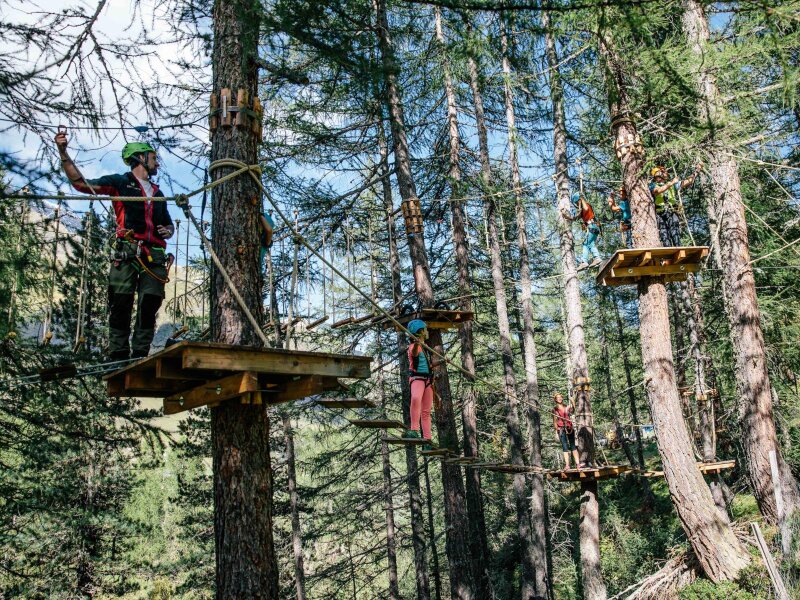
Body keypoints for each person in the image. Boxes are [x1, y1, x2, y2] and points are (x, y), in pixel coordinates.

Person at [56, 131, 174, 360]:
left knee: (150, 303)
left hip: (154, 254)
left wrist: (168, 230)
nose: (157, 162)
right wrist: (63, 152)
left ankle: (140, 352)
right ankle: (118, 354)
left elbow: (168, 224)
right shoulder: (120, 183)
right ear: (140, 158)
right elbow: (81, 184)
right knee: (121, 302)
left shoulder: (158, 193)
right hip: (127, 250)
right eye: (153, 158)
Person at [649, 164, 701, 247]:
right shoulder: (653, 185)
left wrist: (697, 171)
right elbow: (658, 191)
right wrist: (672, 183)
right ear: (658, 174)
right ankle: (668, 250)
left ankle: (678, 247)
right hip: (660, 213)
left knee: (675, 232)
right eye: (663, 172)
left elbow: (689, 181)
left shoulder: (672, 185)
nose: (665, 173)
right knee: (664, 234)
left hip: (671, 211)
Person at [403, 319, 436, 449]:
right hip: (417, 379)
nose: (427, 331)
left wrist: (443, 361)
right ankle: (414, 429)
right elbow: (415, 353)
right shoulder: (413, 346)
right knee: (416, 398)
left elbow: (428, 364)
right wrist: (417, 343)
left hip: (427, 380)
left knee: (426, 411)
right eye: (425, 329)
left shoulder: (425, 347)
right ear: (420, 331)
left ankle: (427, 441)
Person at [563, 193, 601, 269]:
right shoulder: (582, 211)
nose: (577, 204)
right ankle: (597, 258)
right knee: (591, 243)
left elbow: (586, 208)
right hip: (594, 227)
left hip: (592, 226)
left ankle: (584, 262)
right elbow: (575, 218)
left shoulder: (586, 205)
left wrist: (581, 199)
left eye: (577, 202)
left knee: (586, 244)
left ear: (579, 200)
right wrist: (566, 217)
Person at [553, 392, 580, 470]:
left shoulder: (566, 407)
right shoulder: (554, 409)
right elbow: (554, 421)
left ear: (562, 398)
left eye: (560, 397)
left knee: (573, 446)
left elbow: (572, 411)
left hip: (569, 427)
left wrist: (573, 402)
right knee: (565, 447)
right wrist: (556, 431)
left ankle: (578, 464)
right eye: (558, 398)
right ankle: (567, 465)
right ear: (555, 399)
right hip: (561, 429)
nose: (559, 398)